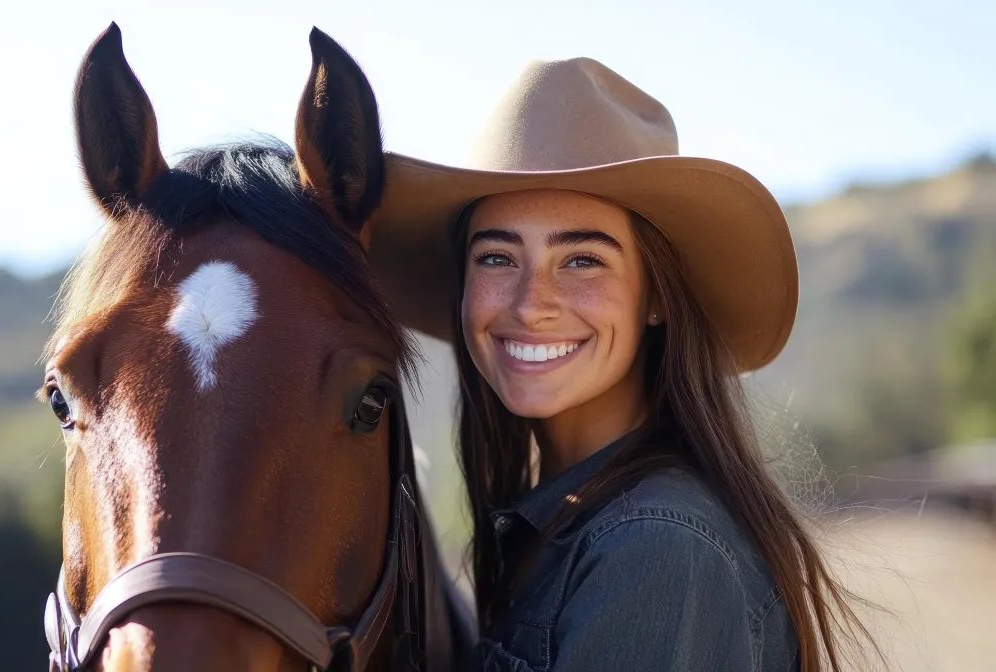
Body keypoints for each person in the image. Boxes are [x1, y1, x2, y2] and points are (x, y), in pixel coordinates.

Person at [367, 57, 877, 670]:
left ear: (657, 296)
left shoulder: (657, 546)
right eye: (498, 258)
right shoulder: (564, 526)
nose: (532, 306)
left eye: (582, 260)